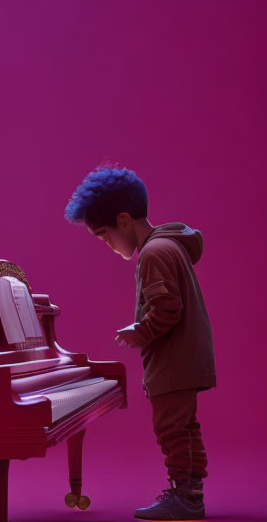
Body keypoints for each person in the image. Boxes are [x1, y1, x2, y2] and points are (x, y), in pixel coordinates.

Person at [64, 165, 216, 521]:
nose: (106, 244)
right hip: (185, 357)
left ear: (124, 221)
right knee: (184, 426)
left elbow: (167, 309)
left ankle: (185, 498)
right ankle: (191, 493)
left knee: (170, 429)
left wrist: (140, 332)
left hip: (174, 361)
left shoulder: (154, 253)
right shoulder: (169, 245)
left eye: (104, 235)